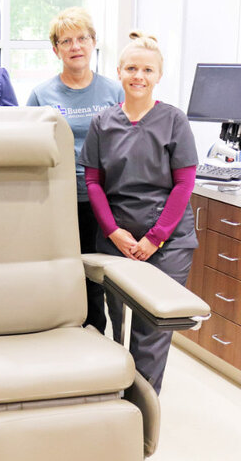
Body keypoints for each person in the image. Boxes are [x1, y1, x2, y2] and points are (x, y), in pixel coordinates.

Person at [78, 31, 198, 394]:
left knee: (151, 329)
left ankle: (141, 413)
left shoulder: (174, 120)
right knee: (117, 321)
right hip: (116, 237)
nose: (139, 76)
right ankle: (115, 396)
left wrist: (155, 238)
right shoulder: (103, 122)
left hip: (168, 240)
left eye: (147, 69)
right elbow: (94, 181)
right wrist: (114, 232)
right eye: (131, 68)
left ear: (159, 75)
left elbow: (184, 184)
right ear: (119, 71)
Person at [27, 7, 123, 335]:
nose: (75, 46)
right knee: (65, 273)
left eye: (82, 38)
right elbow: (31, 146)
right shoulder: (42, 94)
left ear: (94, 42)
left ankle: (96, 340)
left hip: (106, 200)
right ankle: (66, 337)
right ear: (55, 50)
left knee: (97, 276)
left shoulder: (115, 91)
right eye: (66, 41)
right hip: (60, 199)